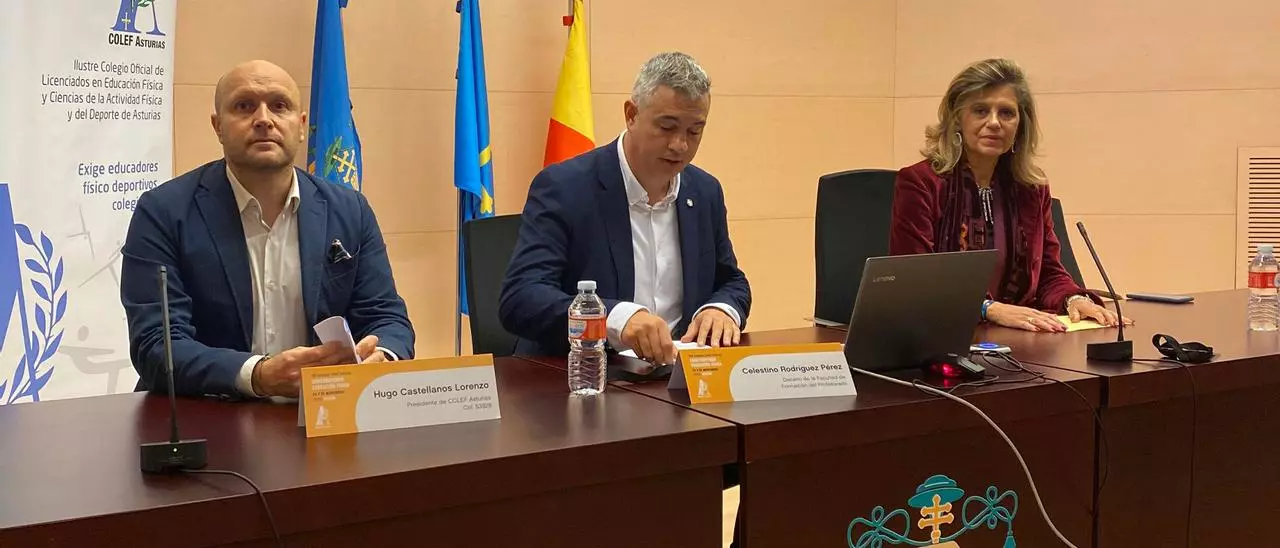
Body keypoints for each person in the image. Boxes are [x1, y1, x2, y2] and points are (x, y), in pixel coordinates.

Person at [121, 60, 413, 398]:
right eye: (244, 106)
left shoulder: (350, 210)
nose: (263, 119)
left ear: (301, 126)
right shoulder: (163, 211)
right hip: (208, 412)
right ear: (218, 126)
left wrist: (382, 356)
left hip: (323, 412)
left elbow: (387, 317)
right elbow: (156, 344)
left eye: (279, 105)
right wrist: (257, 375)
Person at [500, 52, 751, 362]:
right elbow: (521, 298)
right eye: (667, 127)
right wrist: (615, 319)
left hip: (675, 374)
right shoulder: (565, 187)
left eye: (694, 131)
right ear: (631, 115)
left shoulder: (705, 191)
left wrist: (721, 309)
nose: (680, 145)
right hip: (580, 374)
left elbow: (731, 281)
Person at [890, 58, 1128, 332]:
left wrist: (1073, 299)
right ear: (957, 118)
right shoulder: (921, 183)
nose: (994, 123)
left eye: (1006, 113)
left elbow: (1048, 272)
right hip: (945, 336)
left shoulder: (1031, 189)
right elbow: (915, 282)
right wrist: (988, 309)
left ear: (1020, 125)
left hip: (1021, 338)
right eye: (980, 110)